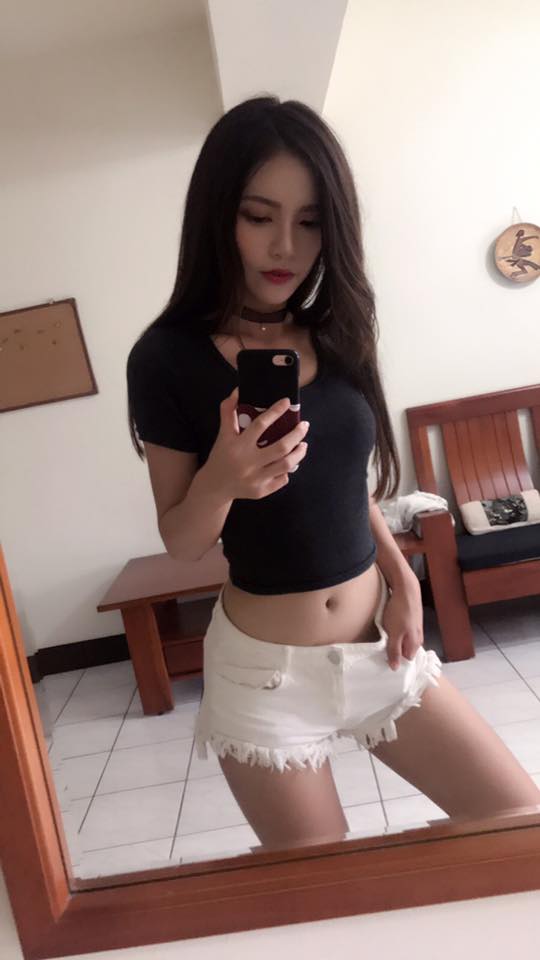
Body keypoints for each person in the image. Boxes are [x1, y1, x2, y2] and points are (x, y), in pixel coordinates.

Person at [127, 96, 540, 851]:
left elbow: (348, 486)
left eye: (312, 221)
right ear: (217, 214)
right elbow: (182, 541)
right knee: (330, 897)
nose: (286, 244)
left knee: (519, 827)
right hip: (265, 678)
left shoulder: (340, 329)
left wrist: (404, 579)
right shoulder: (164, 359)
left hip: (380, 643)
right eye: (259, 215)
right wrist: (222, 479)